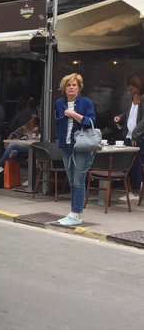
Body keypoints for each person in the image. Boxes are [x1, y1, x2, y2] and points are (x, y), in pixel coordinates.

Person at [54, 73, 96, 226]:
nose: (71, 87)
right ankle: (73, 212)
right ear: (64, 88)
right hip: (66, 145)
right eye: (68, 85)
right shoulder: (59, 103)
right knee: (72, 181)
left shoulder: (86, 102)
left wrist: (74, 114)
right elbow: (57, 123)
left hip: (81, 147)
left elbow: (91, 121)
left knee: (78, 182)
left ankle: (77, 214)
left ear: (79, 88)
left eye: (74, 85)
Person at [113, 72, 144, 202]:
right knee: (130, 163)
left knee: (135, 163)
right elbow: (132, 113)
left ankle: (135, 191)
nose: (130, 87)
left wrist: (136, 134)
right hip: (128, 134)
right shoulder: (132, 97)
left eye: (132, 85)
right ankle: (136, 187)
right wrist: (121, 117)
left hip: (138, 136)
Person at [0, 106, 41, 176]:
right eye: (39, 112)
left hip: (39, 147)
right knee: (13, 153)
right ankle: (9, 177)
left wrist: (39, 120)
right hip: (29, 146)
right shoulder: (31, 124)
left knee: (12, 145)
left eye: (41, 112)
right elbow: (18, 131)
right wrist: (9, 138)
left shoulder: (45, 124)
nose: (40, 114)